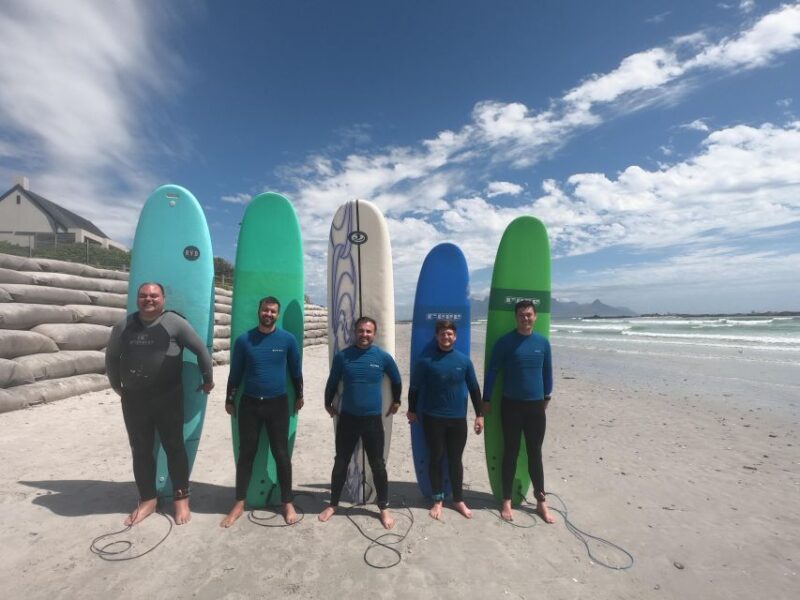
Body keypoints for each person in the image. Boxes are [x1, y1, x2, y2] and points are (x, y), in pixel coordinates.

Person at [105, 282, 215, 526]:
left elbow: (201, 351)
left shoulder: (174, 323)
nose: (149, 299)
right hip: (134, 401)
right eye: (143, 295)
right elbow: (111, 356)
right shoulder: (125, 325)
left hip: (168, 399)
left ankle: (181, 499)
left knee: (174, 447)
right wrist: (116, 385)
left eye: (154, 295)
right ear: (137, 299)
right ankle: (147, 500)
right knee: (140, 450)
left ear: (163, 298)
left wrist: (208, 379)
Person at [221, 296, 303, 527]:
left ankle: (287, 502)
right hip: (249, 404)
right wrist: (229, 399)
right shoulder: (244, 340)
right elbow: (235, 372)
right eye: (265, 310)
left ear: (277, 314)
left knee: (281, 454)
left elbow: (295, 371)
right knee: (246, 453)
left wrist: (300, 395)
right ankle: (239, 502)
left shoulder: (287, 340)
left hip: (278, 404)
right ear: (259, 311)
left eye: (273, 311)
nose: (269, 314)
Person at [318, 316, 402, 529]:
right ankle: (333, 504)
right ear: (355, 332)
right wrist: (327, 403)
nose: (364, 335)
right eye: (361, 331)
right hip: (348, 419)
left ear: (374, 334)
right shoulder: (343, 357)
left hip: (372, 420)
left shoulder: (382, 357)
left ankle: (383, 507)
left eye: (368, 331)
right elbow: (332, 382)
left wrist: (397, 400)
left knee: (378, 465)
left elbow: (396, 379)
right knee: (341, 462)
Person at [483, 300, 555, 523]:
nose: (526, 318)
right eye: (522, 315)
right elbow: (493, 370)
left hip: (535, 407)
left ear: (536, 317)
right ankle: (506, 500)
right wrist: (485, 398)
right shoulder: (506, 342)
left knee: (535, 453)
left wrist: (547, 396)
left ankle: (541, 501)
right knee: (511, 452)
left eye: (529, 315)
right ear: (516, 317)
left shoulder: (542, 343)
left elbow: (547, 373)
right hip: (511, 405)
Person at [407, 320, 484, 520]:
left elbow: (475, 389)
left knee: (455, 459)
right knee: (436, 457)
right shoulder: (426, 361)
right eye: (442, 334)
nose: (446, 337)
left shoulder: (464, 361)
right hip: (433, 418)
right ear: (437, 336)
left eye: (449, 334)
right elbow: (414, 387)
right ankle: (438, 499)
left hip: (458, 419)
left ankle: (458, 499)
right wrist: (412, 410)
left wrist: (480, 415)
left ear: (455, 336)